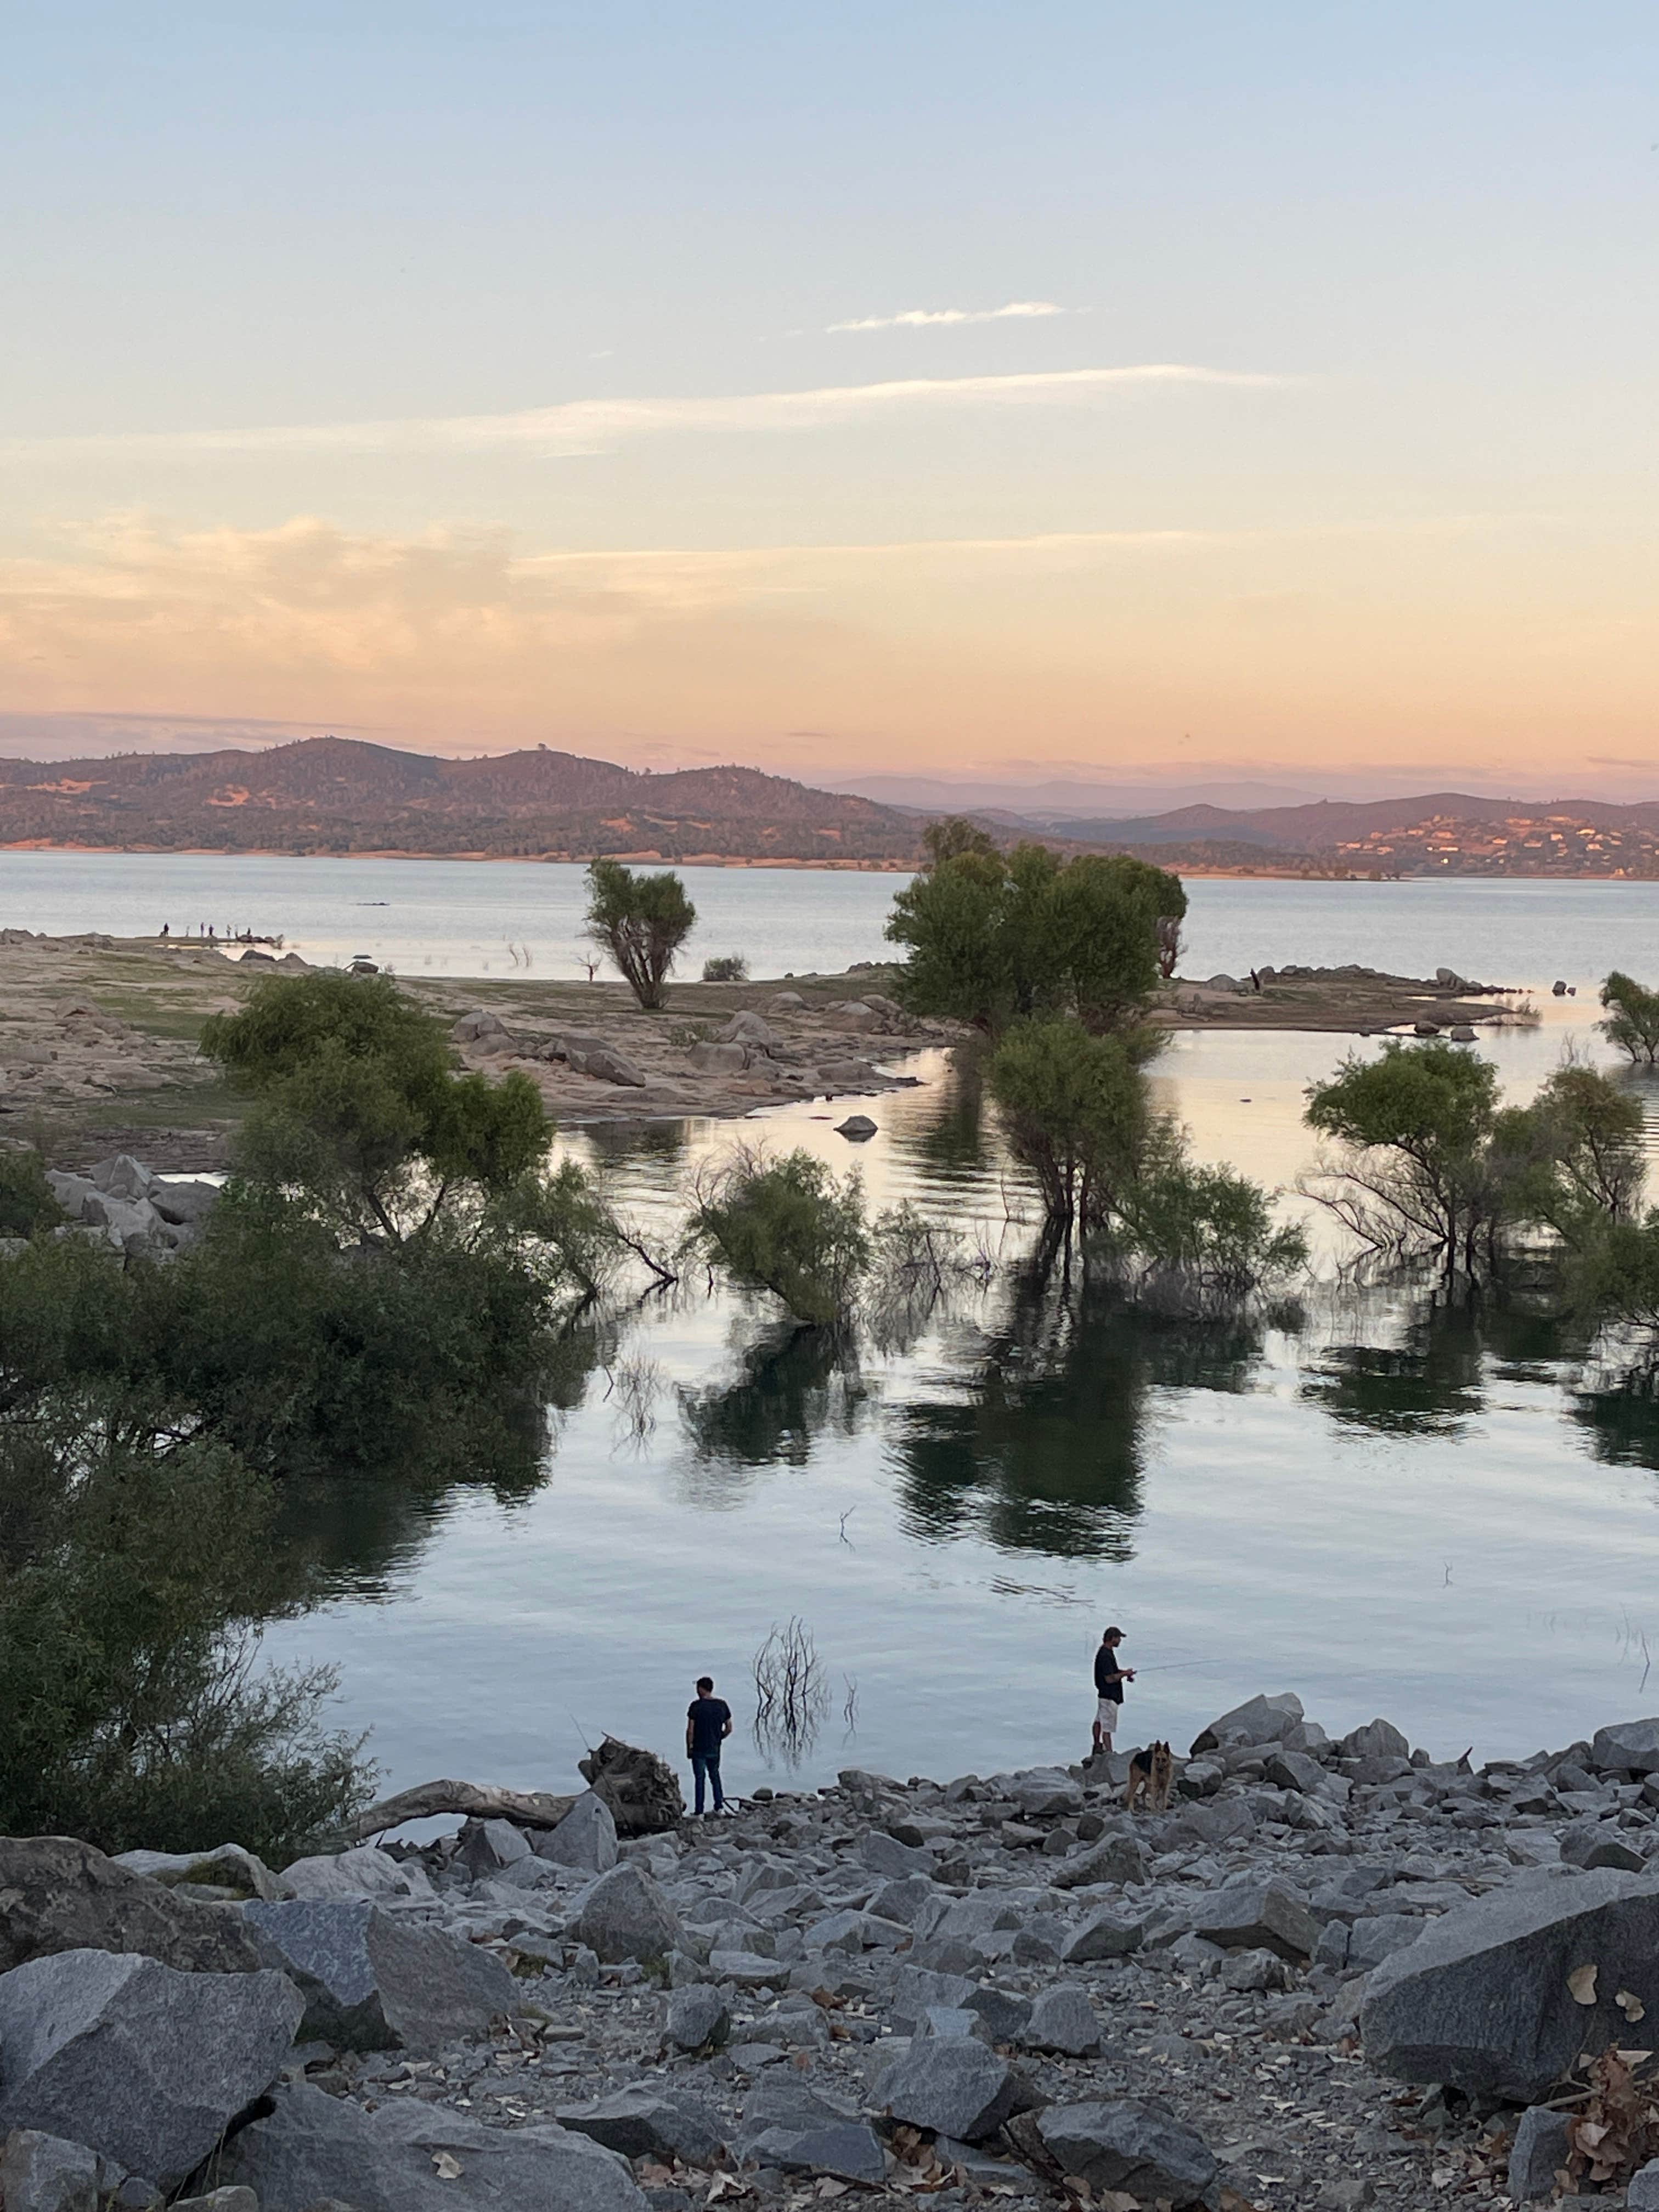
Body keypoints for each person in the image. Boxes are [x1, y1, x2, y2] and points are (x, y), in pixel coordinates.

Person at [686, 1674, 733, 1815]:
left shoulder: (696, 1706)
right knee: (715, 1776)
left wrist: (690, 1747)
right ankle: (719, 1808)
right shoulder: (722, 1705)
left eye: (697, 1688)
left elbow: (690, 1730)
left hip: (699, 1749)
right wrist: (719, 1738)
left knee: (699, 1780)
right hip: (715, 1748)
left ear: (701, 1689)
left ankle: (699, 1812)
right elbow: (729, 1727)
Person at [1092, 1626, 1134, 1757]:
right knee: (1107, 1728)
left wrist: (1125, 1673)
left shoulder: (1106, 1652)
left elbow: (1112, 1672)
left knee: (1099, 1721)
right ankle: (1109, 1754)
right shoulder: (1105, 1656)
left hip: (1104, 1695)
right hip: (1109, 1697)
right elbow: (1110, 1679)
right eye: (1119, 1638)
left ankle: (1097, 1746)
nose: (1120, 1641)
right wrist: (1123, 1675)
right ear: (1113, 1638)